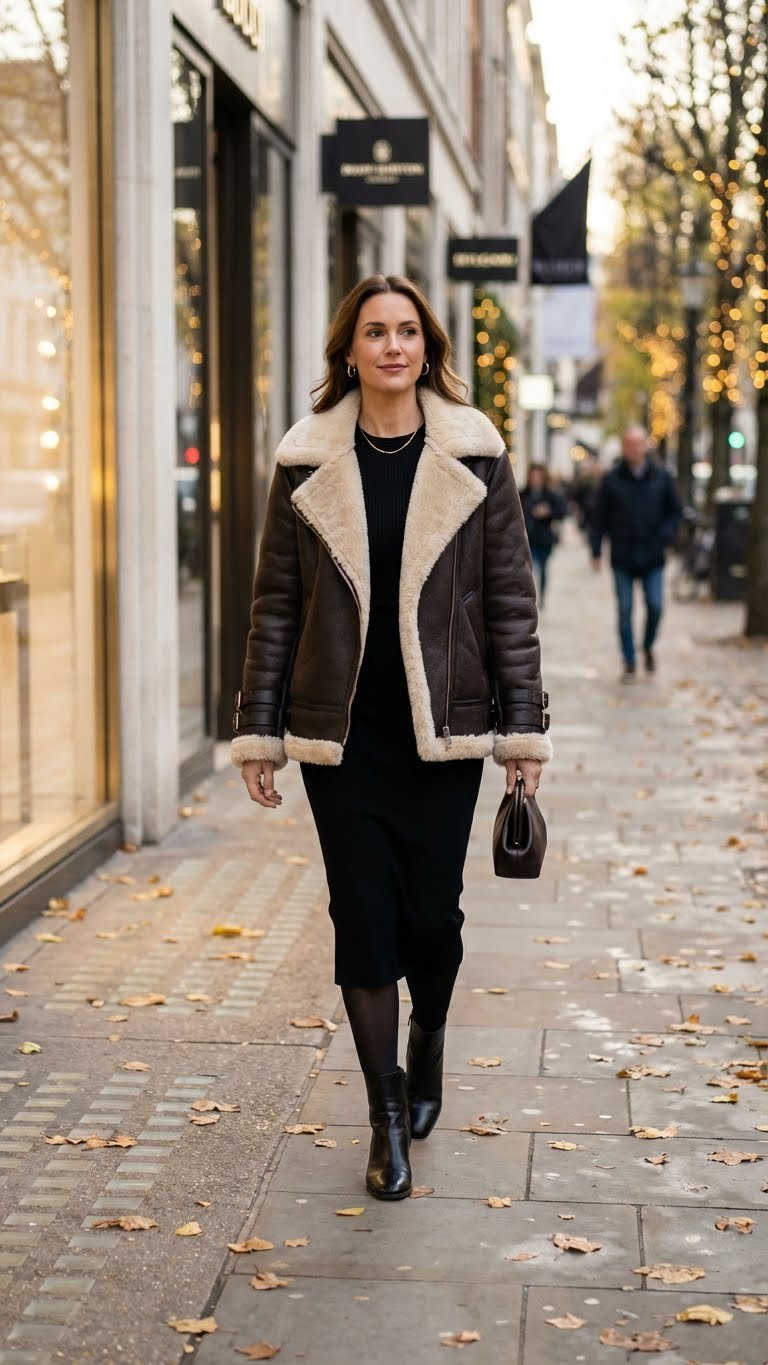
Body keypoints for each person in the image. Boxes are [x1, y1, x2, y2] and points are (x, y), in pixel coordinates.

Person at [231, 274, 552, 1201]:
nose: (392, 347)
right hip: (344, 739)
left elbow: (509, 600)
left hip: (442, 733)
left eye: (407, 331)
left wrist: (522, 730)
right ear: (349, 351)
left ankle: (430, 1035)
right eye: (375, 332)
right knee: (362, 921)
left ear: (427, 345)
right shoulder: (303, 462)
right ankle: (383, 1111)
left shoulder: (476, 455)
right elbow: (276, 604)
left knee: (432, 922)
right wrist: (261, 732)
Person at [591, 425, 681, 679]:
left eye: (638, 443)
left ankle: (648, 645)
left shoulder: (661, 477)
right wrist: (596, 550)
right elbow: (599, 518)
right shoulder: (611, 480)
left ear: (646, 446)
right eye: (629, 444)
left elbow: (675, 511)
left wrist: (667, 534)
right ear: (623, 447)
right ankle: (629, 660)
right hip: (623, 556)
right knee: (625, 611)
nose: (634, 449)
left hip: (653, 555)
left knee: (655, 606)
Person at [520, 464, 567, 606]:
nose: (535, 479)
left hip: (545, 539)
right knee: (529, 571)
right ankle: (530, 597)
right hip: (528, 539)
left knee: (544, 569)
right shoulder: (522, 493)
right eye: (533, 476)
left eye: (538, 476)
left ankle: (542, 596)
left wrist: (548, 512)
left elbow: (562, 511)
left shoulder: (550, 494)